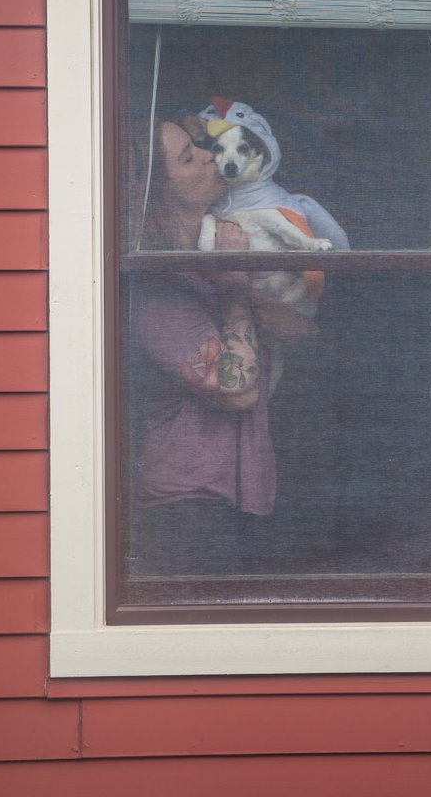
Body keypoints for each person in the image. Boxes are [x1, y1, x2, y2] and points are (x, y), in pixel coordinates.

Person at [129, 116, 281, 576]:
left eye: (198, 146)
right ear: (157, 190)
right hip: (189, 503)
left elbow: (309, 333)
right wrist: (237, 289)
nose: (209, 155)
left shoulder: (213, 252)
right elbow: (240, 390)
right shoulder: (155, 289)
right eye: (186, 157)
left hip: (237, 490)